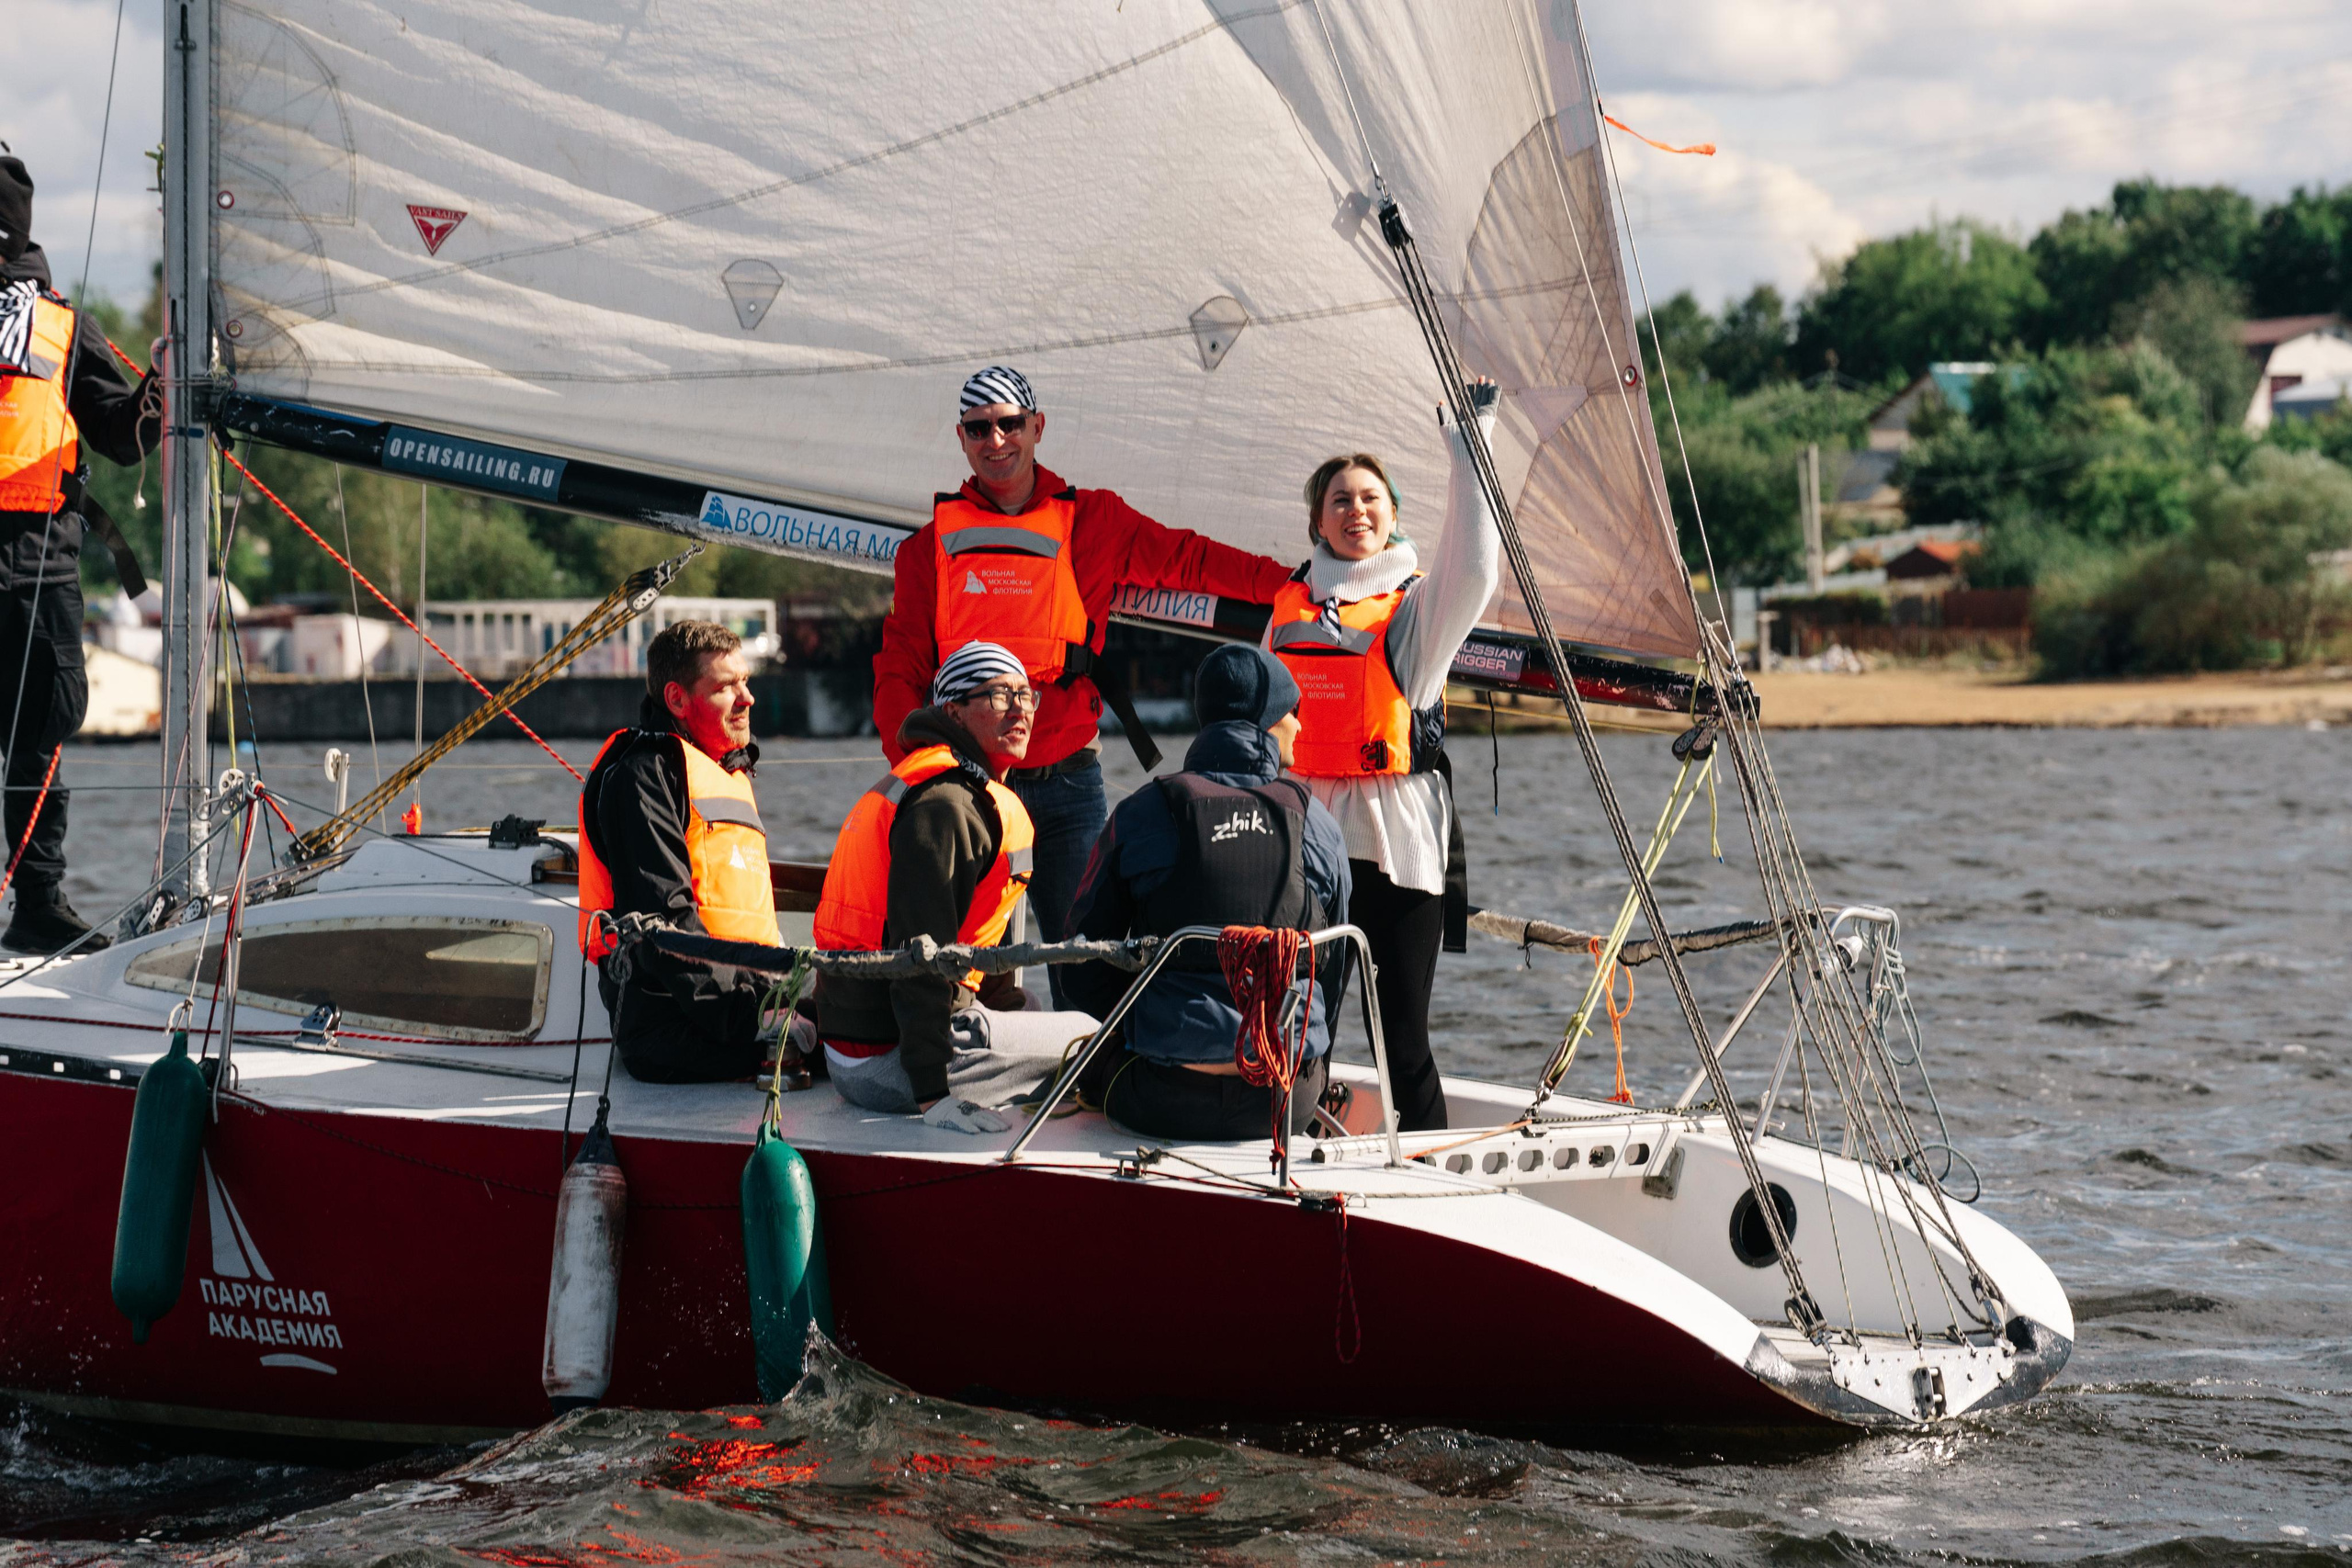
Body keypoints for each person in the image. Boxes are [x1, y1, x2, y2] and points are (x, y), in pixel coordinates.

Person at [872, 366, 1294, 1001]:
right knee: (956, 966)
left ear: (1037, 428)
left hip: (1067, 781)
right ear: (961, 438)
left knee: (1085, 963)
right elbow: (898, 668)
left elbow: (1191, 560)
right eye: (979, 428)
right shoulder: (926, 551)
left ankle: (1093, 1087)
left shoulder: (1096, 520)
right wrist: (916, 768)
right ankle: (954, 1079)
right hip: (966, 789)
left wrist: (1294, 585)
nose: (996, 441)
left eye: (1011, 424)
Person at [1266, 382, 1499, 1132]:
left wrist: (1472, 446)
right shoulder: (1288, 610)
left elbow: (1476, 573)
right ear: (1316, 521)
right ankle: (1296, 1154)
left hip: (1399, 848)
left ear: (1394, 515)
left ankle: (1426, 1175)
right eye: (1339, 499)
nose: (1356, 509)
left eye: (1370, 498)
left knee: (1403, 1038)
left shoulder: (1416, 612)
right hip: (1309, 843)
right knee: (1303, 1031)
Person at [1063, 643, 1351, 1142]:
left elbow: (1081, 964)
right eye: (1294, 712)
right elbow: (1335, 966)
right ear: (1267, 720)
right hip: (1286, 1102)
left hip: (1165, 1096)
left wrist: (1147, 1022)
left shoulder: (1145, 811)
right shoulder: (1318, 823)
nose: (1300, 726)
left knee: (1093, 1059)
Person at [0, 152, 162, 953]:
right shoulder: (63, 322)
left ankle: (36, 902)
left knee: (37, 735)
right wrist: (153, 400)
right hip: (38, 569)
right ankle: (37, 904)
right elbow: (125, 438)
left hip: (38, 565)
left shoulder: (65, 324)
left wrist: (156, 394)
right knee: (39, 736)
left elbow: (123, 434)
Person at [815, 642, 1044, 1126]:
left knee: (1033, 1008)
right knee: (1089, 1038)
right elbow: (918, 955)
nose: (1020, 708)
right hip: (889, 1063)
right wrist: (933, 1097)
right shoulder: (947, 805)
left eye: (1026, 694)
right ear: (954, 711)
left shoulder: (945, 786)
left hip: (857, 1045)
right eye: (1001, 695)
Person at [576, 620, 783, 1084]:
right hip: (671, 1027)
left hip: (747, 1000)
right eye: (726, 687)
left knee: (863, 1024)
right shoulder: (642, 777)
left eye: (745, 682)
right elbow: (665, 923)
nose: (747, 698)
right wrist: (756, 1023)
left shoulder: (726, 775)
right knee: (848, 1051)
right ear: (677, 700)